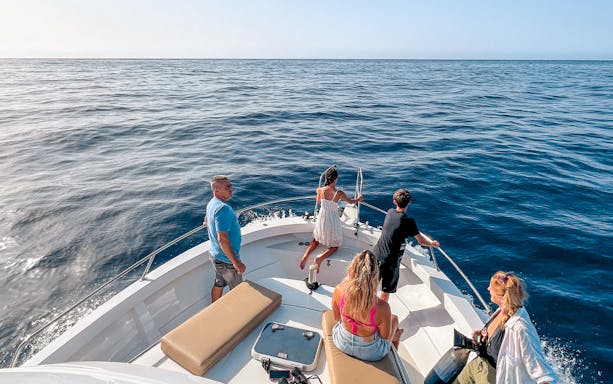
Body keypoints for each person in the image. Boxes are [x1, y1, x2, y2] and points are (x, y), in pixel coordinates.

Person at [454, 271, 557, 384]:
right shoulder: (502, 310)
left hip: (492, 378)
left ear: (502, 298)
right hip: (477, 365)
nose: (488, 288)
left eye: (491, 288)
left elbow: (543, 373)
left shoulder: (521, 328)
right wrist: (484, 336)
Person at [331, 250, 403, 361]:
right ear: (374, 277)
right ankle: (395, 355)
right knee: (394, 319)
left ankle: (395, 338)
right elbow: (384, 336)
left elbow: (336, 318)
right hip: (370, 353)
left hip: (342, 342)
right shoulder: (382, 307)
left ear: (352, 270)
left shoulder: (339, 290)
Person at [372, 188, 440, 301]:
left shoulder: (389, 212)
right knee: (385, 292)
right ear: (409, 203)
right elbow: (421, 241)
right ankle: (379, 314)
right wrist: (432, 243)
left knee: (372, 288)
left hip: (377, 255)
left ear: (394, 202)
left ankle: (365, 311)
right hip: (391, 262)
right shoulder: (409, 221)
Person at [299, 167, 363, 271]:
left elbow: (319, 202)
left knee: (316, 240)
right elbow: (351, 202)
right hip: (332, 219)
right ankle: (320, 259)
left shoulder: (320, 190)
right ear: (336, 179)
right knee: (335, 246)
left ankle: (305, 256)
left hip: (322, 218)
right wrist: (359, 199)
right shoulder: (339, 193)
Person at [204, 175, 246, 302]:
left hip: (215, 255)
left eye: (231, 186)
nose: (231, 189)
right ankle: (240, 318)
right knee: (239, 292)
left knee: (219, 283)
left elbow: (207, 220)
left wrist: (208, 222)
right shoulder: (223, 209)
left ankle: (214, 309)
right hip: (226, 261)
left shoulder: (212, 203)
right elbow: (222, 239)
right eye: (227, 187)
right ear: (216, 191)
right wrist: (236, 263)